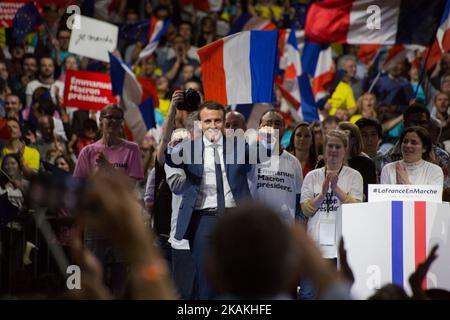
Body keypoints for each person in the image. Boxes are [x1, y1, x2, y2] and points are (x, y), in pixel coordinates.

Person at [165, 101, 263, 299]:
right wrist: (172, 146)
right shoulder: (190, 147)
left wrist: (267, 140)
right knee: (207, 281)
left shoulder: (239, 144)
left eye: (217, 120)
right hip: (204, 220)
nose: (212, 125)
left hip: (237, 218)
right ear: (200, 124)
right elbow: (169, 159)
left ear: (224, 121)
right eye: (207, 121)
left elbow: (263, 155)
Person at [73, 104, 144, 296]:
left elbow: (130, 186)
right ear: (100, 120)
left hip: (121, 221)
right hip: (96, 222)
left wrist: (108, 169)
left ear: (122, 123)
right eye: (108, 117)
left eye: (117, 118)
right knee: (95, 274)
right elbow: (78, 187)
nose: (112, 121)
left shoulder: (132, 149)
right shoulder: (88, 152)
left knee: (120, 276)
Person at [301, 129, 363, 261]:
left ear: (345, 149)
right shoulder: (312, 176)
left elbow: (357, 208)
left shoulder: (354, 176)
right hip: (315, 244)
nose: (333, 150)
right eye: (330, 146)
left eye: (338, 146)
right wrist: (322, 194)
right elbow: (305, 210)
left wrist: (336, 189)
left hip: (343, 245)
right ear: (324, 148)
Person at [248, 110, 303, 225]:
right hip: (255, 226)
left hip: (285, 229)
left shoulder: (294, 162)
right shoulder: (249, 157)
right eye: (268, 123)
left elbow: (299, 200)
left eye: (277, 124)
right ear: (260, 127)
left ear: (284, 128)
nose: (272, 127)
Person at [337, 121, 377, 199]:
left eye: (343, 136)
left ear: (354, 139)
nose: (338, 139)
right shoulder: (324, 162)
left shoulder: (366, 163)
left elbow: (367, 195)